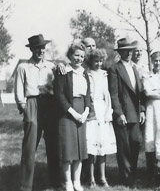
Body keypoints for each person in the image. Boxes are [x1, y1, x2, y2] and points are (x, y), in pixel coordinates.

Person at [14, 34, 60, 191]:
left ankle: (56, 182)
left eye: (42, 48)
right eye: (37, 48)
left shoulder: (52, 66)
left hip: (49, 105)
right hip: (32, 104)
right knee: (29, 147)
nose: (41, 51)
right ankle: (25, 185)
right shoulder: (23, 67)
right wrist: (24, 108)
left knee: (53, 145)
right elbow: (19, 90)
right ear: (32, 49)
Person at [108, 37, 146, 186]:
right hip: (123, 114)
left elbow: (140, 93)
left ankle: (133, 174)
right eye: (125, 51)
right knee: (124, 147)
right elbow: (113, 94)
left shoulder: (135, 68)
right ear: (120, 53)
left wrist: (142, 110)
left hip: (136, 114)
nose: (129, 53)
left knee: (136, 143)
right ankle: (126, 179)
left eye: (130, 51)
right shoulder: (114, 69)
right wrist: (119, 113)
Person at [54, 42, 91, 191]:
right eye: (76, 55)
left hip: (82, 111)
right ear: (70, 55)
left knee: (80, 150)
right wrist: (73, 113)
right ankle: (68, 182)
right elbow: (59, 94)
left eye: (82, 56)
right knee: (67, 149)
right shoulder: (63, 71)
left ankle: (77, 181)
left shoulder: (84, 72)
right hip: (67, 113)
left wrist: (86, 111)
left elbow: (88, 94)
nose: (79, 58)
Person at [85, 49, 116, 188]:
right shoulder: (86, 74)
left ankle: (102, 177)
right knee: (92, 147)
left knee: (102, 147)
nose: (98, 63)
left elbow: (107, 94)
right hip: (91, 110)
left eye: (100, 61)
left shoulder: (104, 74)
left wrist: (107, 113)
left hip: (102, 110)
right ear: (90, 61)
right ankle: (91, 178)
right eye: (96, 61)